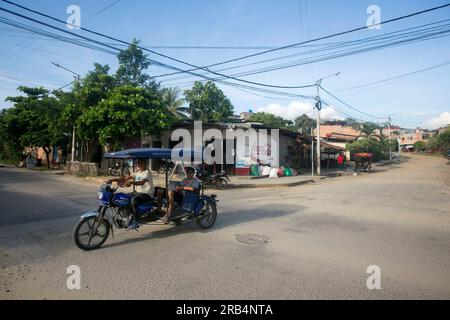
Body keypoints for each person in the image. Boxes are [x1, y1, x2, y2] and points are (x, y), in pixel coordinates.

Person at [107, 159, 154, 230]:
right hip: (137, 192)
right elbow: (125, 178)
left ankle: (136, 220)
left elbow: (142, 182)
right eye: (138, 163)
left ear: (144, 164)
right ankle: (126, 216)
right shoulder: (137, 172)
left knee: (133, 200)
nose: (139, 164)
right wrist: (113, 180)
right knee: (124, 198)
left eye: (141, 163)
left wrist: (131, 182)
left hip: (146, 193)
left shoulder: (147, 172)